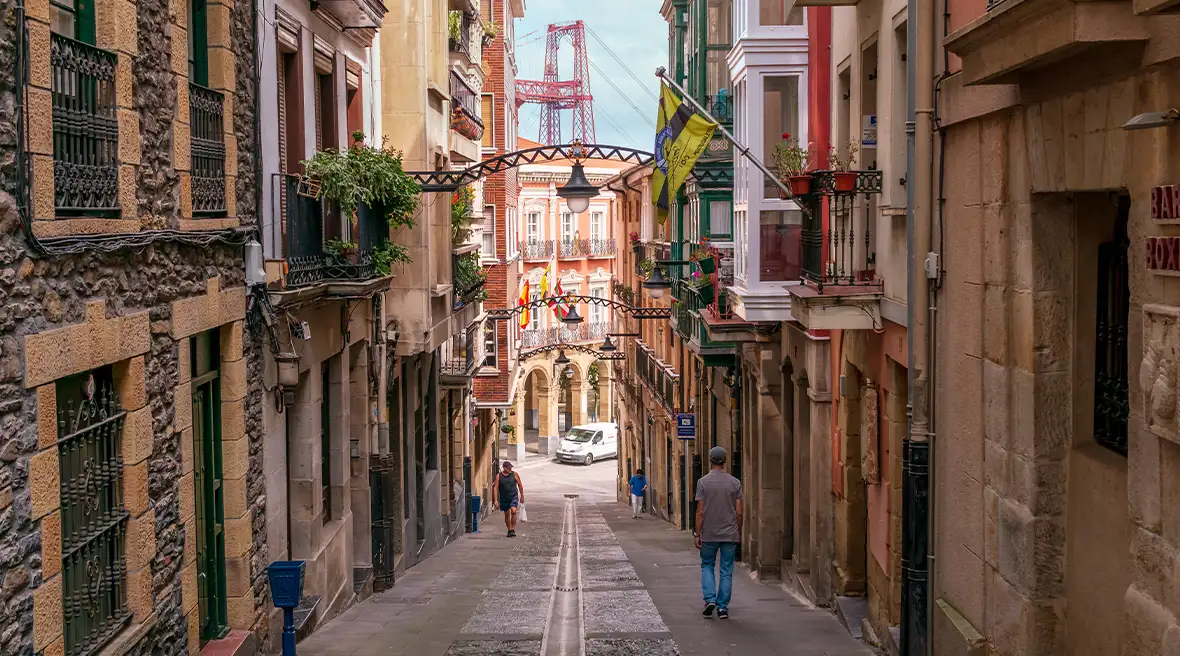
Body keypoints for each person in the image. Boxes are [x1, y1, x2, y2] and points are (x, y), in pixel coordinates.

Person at [693, 446, 742, 619]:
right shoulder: (735, 483)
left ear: (710, 460)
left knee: (707, 565)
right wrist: (738, 531)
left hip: (709, 533)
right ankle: (722, 608)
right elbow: (739, 511)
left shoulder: (703, 483)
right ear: (725, 461)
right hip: (729, 533)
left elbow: (700, 511)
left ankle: (709, 599)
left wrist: (697, 534)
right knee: (726, 570)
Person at [492, 460, 525, 537]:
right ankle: (509, 529)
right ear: (504, 468)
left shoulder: (515, 474)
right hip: (504, 497)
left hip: (513, 496)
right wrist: (495, 500)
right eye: (509, 468)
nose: (510, 469)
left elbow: (520, 485)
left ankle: (513, 529)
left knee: (513, 511)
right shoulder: (499, 476)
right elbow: (495, 488)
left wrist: (522, 496)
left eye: (511, 467)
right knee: (507, 514)